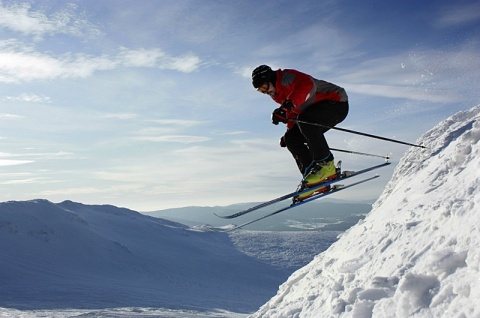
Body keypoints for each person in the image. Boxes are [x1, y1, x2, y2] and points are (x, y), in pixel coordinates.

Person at [252, 65, 349, 198]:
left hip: (336, 102)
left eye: (264, 87)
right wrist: (289, 132)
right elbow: (294, 113)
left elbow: (308, 85)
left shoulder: (286, 78)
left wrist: (286, 107)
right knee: (291, 139)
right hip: (314, 111)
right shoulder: (278, 95)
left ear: (271, 79)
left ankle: (326, 166)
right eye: (260, 91)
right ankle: (313, 179)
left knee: (306, 121)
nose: (265, 92)